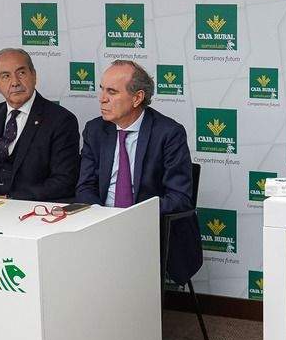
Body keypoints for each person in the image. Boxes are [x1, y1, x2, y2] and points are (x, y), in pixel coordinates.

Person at [76, 60, 201, 285]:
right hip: (101, 224)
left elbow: (180, 198)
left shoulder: (168, 133)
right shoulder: (95, 130)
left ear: (137, 98)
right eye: (102, 89)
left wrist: (132, 217)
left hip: (148, 229)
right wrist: (100, 217)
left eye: (112, 92)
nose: (102, 98)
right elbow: (85, 186)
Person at [0, 48, 79, 201]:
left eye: (21, 73)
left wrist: (10, 199)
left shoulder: (61, 120)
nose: (15, 82)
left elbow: (64, 181)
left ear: (34, 75)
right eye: (5, 76)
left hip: (32, 212)